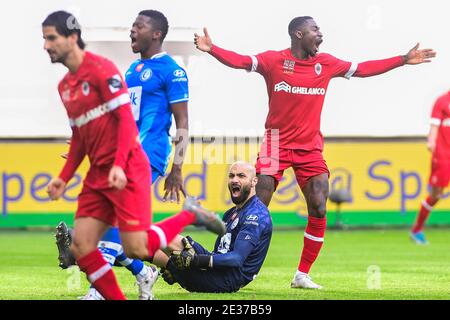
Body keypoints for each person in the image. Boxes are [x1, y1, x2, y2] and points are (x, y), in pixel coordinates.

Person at [194, 16, 436, 289]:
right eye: (315, 30)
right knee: (255, 208)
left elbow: (363, 69)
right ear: (299, 34)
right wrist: (212, 49)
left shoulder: (327, 64)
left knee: (319, 206)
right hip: (275, 143)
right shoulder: (274, 61)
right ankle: (240, 263)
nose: (321, 34)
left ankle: (302, 275)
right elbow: (241, 61)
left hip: (310, 147)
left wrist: (402, 59)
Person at [43, 10, 225, 300]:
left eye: (138, 26)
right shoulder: (130, 72)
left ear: (156, 34)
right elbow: (117, 118)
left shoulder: (172, 71)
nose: (131, 31)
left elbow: (183, 122)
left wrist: (176, 168)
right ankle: (143, 269)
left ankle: (98, 291)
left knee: (110, 225)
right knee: (128, 240)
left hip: (148, 152)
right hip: (121, 152)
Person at [149, 161, 272, 293]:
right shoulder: (231, 213)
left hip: (227, 279)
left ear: (254, 181)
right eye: (231, 176)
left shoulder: (256, 215)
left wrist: (195, 260)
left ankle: (145, 272)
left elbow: (237, 259)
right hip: (215, 267)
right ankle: (156, 269)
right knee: (158, 237)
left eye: (241, 176)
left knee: (147, 238)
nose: (234, 180)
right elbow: (218, 253)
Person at [410, 90, 450, 245]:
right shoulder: (442, 101)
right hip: (443, 156)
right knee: (436, 194)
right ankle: (417, 230)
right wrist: (431, 142)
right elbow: (434, 127)